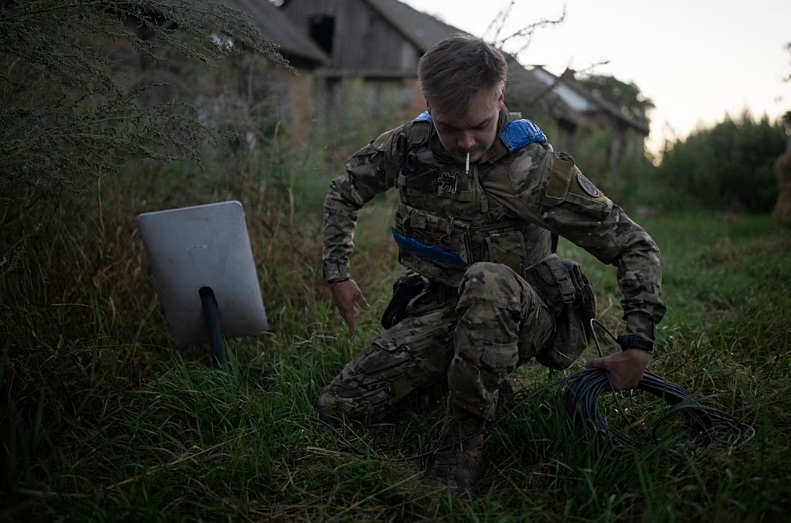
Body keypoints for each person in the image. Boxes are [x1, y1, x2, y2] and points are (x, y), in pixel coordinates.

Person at [316, 34, 665, 492]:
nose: (465, 142)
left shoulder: (533, 171)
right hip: (446, 307)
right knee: (339, 404)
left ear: (500, 97)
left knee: (488, 281)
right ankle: (469, 375)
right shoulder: (408, 147)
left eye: (479, 126)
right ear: (428, 106)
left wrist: (637, 343)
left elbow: (634, 245)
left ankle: (461, 447)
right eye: (449, 127)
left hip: (526, 313)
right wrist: (337, 272)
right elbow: (345, 190)